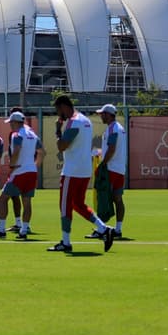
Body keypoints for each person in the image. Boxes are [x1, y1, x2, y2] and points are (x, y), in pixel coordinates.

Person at [48, 95, 115, 253]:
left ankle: (66, 242)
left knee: (65, 206)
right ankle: (104, 229)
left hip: (72, 170)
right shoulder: (86, 120)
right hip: (84, 170)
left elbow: (62, 146)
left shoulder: (74, 121)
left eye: (58, 110)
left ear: (64, 107)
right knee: (78, 204)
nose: (59, 114)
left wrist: (58, 131)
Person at [0, 111, 45, 240]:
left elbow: (17, 149)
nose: (10, 125)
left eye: (11, 123)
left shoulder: (17, 134)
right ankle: (24, 230)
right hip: (31, 172)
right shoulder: (32, 135)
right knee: (27, 201)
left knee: (2, 199)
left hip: (19, 171)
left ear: (16, 122)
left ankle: (1, 229)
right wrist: (35, 166)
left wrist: (12, 164)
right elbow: (42, 152)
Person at [88, 104, 127, 239]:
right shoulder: (119, 128)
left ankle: (102, 229)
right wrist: (101, 153)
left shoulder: (113, 129)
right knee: (118, 199)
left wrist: (103, 164)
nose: (101, 116)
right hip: (120, 168)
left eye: (103, 114)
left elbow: (112, 148)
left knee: (102, 197)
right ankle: (118, 229)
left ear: (109, 114)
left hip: (110, 169)